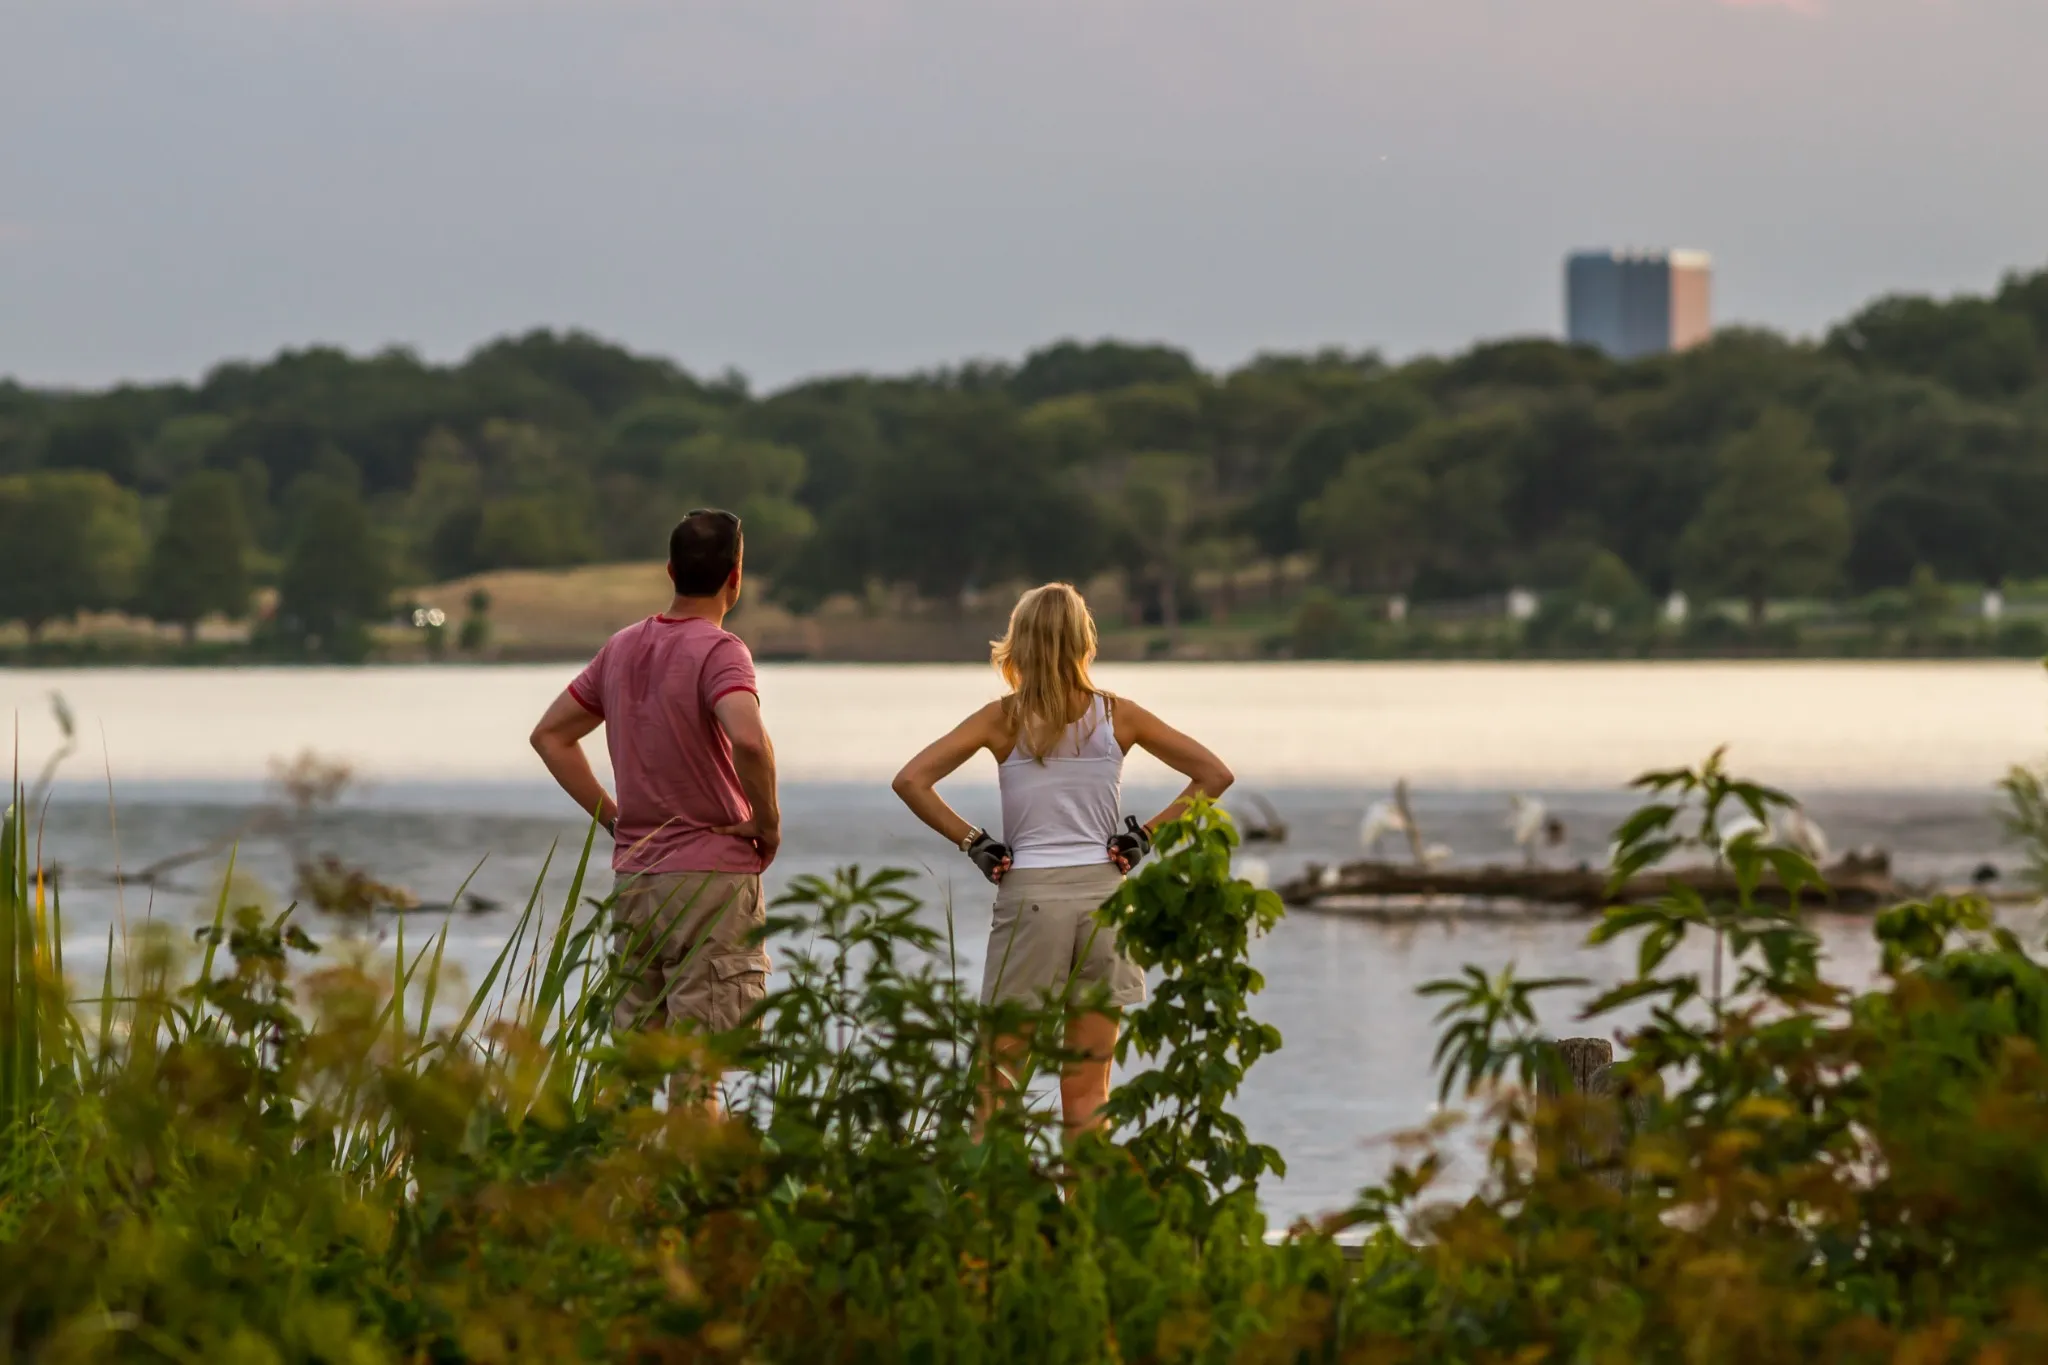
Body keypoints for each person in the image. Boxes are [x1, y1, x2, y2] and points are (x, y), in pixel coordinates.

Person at [891, 582, 1233, 1137]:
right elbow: (1215, 775)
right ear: (1084, 641)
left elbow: (911, 780)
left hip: (1030, 900)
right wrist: (1145, 836)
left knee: (997, 1083)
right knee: (1089, 1092)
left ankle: (992, 1215)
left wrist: (975, 842)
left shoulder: (1000, 719)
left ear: (1018, 644)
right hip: (1107, 899)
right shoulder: (1119, 716)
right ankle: (1085, 1221)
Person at [529, 508, 779, 1108]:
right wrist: (765, 823)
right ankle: (689, 1196)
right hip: (711, 881)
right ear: (736, 577)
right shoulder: (722, 650)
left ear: (670, 571)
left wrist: (615, 819)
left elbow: (551, 737)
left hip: (637, 878)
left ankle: (631, 1191)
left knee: (636, 1066)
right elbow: (747, 737)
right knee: (699, 1071)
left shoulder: (621, 648)